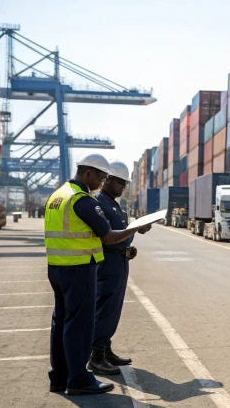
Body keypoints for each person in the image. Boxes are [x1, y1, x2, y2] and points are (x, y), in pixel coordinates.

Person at [44, 154, 151, 396]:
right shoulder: (82, 200)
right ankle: (79, 379)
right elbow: (109, 236)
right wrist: (135, 227)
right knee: (79, 326)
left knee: (60, 323)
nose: (101, 182)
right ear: (89, 174)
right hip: (79, 269)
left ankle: (59, 377)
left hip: (57, 267)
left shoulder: (58, 195)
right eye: (101, 177)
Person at [88, 160, 148, 375]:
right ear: (108, 180)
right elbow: (104, 236)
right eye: (120, 183)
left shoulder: (112, 203)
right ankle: (96, 356)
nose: (123, 187)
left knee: (113, 309)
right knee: (104, 309)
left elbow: (120, 232)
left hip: (119, 261)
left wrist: (128, 247)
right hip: (107, 264)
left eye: (125, 184)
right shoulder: (99, 203)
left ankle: (105, 348)